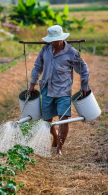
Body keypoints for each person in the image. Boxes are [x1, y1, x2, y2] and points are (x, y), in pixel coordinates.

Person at [28, 25, 90, 155]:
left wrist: (84, 86)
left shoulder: (71, 52)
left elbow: (83, 69)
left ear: (62, 39)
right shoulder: (45, 49)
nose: (53, 43)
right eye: (51, 40)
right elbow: (37, 66)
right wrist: (32, 83)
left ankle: (59, 149)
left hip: (63, 91)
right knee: (47, 121)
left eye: (56, 40)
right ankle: (55, 136)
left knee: (64, 119)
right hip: (47, 89)